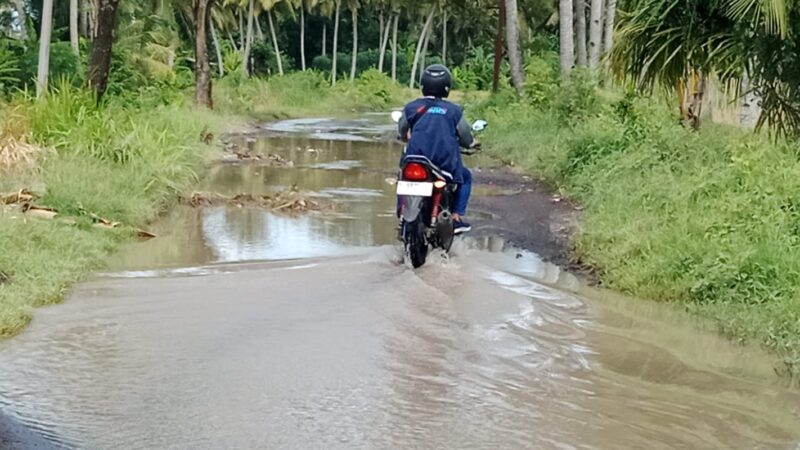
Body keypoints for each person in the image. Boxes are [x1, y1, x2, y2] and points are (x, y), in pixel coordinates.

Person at [398, 64, 476, 234]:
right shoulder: (454, 111)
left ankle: (402, 213)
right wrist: (470, 144)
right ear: (447, 87)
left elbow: (402, 129)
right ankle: (456, 216)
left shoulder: (411, 107)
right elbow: (465, 136)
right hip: (444, 164)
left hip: (414, 159)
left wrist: (405, 137)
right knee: (466, 177)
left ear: (423, 85)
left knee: (403, 179)